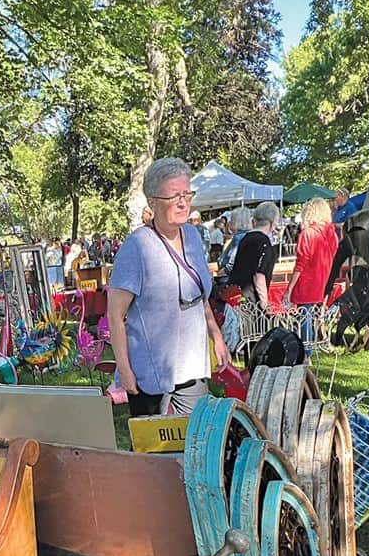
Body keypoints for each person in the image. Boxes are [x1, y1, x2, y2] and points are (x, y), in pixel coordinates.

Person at [108, 157, 231, 417]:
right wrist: (125, 370)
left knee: (197, 438)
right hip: (150, 369)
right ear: (153, 202)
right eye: (174, 196)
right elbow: (115, 316)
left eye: (187, 193)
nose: (184, 202)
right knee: (152, 450)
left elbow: (198, 296)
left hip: (191, 362)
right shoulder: (137, 247)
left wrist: (216, 336)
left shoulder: (194, 237)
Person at [284, 197, 340, 347]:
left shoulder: (308, 234)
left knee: (304, 317)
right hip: (324, 279)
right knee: (310, 316)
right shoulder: (332, 234)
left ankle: (305, 352)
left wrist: (289, 288)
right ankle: (309, 348)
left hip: (307, 281)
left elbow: (300, 264)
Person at [229, 201, 280, 309]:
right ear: (272, 222)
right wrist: (264, 303)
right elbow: (259, 274)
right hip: (251, 300)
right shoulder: (264, 242)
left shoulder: (245, 238)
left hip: (237, 295)